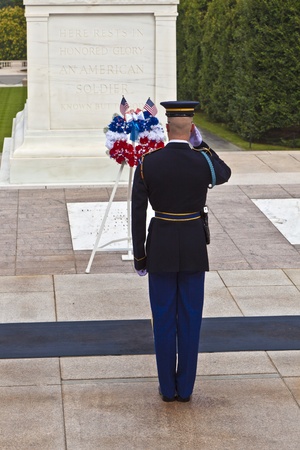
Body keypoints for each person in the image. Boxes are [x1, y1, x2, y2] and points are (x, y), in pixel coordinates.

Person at [131, 101, 231, 402]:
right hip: (192, 247)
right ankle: (185, 388)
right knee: (190, 318)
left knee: (162, 319)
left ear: (166, 128)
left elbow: (137, 214)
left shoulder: (148, 163)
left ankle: (167, 387)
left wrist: (140, 256)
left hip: (159, 246)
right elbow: (224, 173)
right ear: (192, 129)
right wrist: (204, 147)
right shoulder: (203, 162)